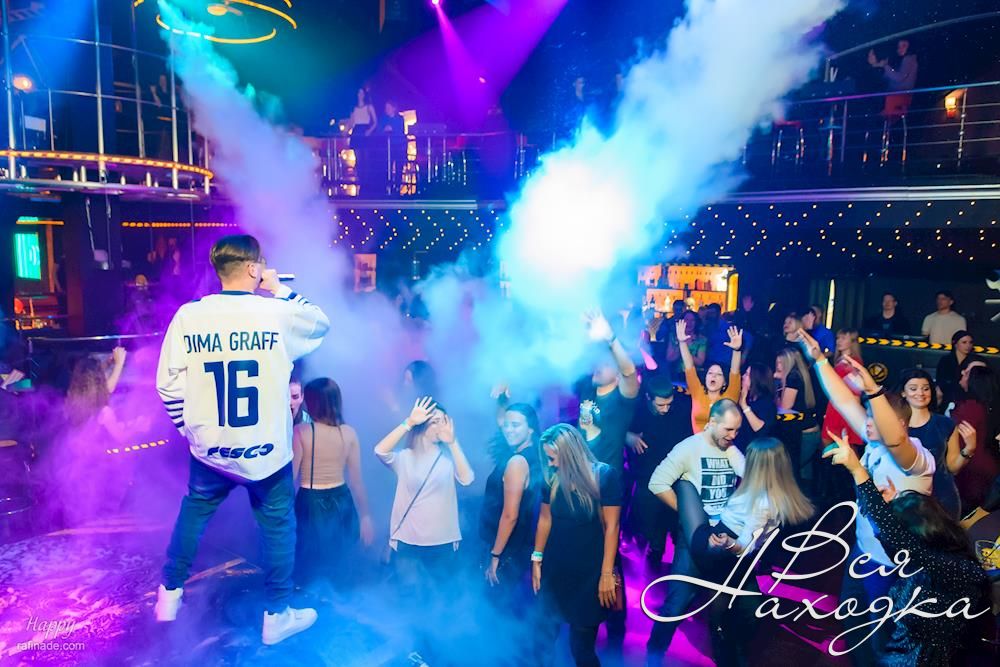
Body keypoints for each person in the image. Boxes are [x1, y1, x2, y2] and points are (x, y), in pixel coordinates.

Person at [155, 234, 330, 645]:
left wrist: (191, 431)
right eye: (261, 264)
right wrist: (279, 288)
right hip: (266, 453)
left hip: (211, 451)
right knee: (278, 528)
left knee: (193, 514)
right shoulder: (276, 312)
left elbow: (167, 386)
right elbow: (320, 322)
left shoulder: (189, 316)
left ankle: (169, 594)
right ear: (253, 268)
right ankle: (277, 615)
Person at [796, 329, 936, 667]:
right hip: (863, 553)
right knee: (853, 626)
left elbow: (895, 439)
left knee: (881, 640)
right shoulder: (874, 442)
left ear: (899, 423)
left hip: (893, 565)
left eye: (874, 418)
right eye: (868, 417)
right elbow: (845, 401)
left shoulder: (916, 457)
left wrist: (874, 391)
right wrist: (819, 361)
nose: (867, 422)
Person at [823, 429, 990, 665]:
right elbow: (892, 534)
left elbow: (891, 533)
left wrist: (857, 470)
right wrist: (891, 504)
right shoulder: (937, 560)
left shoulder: (950, 569)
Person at [672, 437, 813, 666]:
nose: (747, 464)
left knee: (738, 609)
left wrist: (729, 543)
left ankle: (727, 648)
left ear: (759, 466)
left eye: (751, 461)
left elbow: (747, 546)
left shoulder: (765, 500)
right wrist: (723, 438)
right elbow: (746, 546)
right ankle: (726, 648)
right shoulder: (769, 493)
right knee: (732, 605)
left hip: (723, 549)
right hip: (721, 547)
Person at [645, 399, 745, 665]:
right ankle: (653, 656)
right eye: (728, 429)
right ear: (711, 422)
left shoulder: (730, 449)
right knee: (676, 604)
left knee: (723, 608)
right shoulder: (688, 448)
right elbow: (657, 483)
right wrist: (688, 514)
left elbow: (751, 476)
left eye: (737, 430)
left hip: (723, 538)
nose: (733, 435)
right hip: (693, 539)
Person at [374, 397, 474, 662]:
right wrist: (408, 422)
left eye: (444, 421)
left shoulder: (448, 458)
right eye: (435, 421)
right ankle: (418, 652)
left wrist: (453, 442)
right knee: (413, 599)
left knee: (442, 601)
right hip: (408, 542)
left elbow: (467, 479)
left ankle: (438, 653)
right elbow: (380, 450)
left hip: (443, 543)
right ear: (423, 425)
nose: (441, 426)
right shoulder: (405, 458)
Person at [532, 424, 622, 667]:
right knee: (542, 640)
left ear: (569, 454)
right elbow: (544, 519)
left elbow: (612, 527)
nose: (550, 463)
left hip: (589, 575)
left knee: (581, 649)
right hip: (555, 571)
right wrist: (537, 559)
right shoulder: (551, 478)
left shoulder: (604, 476)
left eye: (553, 457)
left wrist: (606, 574)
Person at [292, 378, 373, 589]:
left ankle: (311, 600)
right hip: (342, 501)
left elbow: (290, 477)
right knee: (340, 563)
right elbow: (357, 482)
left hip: (311, 502)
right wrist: (365, 517)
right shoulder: (349, 433)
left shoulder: (301, 432)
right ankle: (339, 601)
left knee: (310, 564)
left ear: (312, 403)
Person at [626, 374, 694, 565]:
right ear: (649, 398)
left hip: (675, 472)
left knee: (676, 517)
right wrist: (627, 436)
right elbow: (616, 426)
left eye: (668, 404)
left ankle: (679, 559)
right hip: (647, 472)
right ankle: (654, 549)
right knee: (650, 516)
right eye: (660, 405)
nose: (665, 409)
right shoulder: (637, 409)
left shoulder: (681, 406)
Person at [480, 403, 542, 609]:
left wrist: (495, 555)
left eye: (515, 425)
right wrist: (501, 402)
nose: (508, 429)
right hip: (518, 546)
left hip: (507, 548)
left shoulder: (517, 462)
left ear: (530, 428)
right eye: (506, 425)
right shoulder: (533, 455)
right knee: (506, 607)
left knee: (494, 608)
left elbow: (510, 515)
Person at [897, 369, 977, 519]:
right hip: (905, 499)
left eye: (925, 388)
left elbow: (952, 467)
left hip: (942, 497)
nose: (920, 393)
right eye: (913, 389)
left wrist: (969, 449)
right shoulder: (895, 425)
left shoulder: (945, 424)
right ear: (903, 393)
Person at [676, 320, 743, 432]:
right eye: (710, 373)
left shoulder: (729, 397)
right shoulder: (698, 391)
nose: (713, 376)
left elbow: (735, 372)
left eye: (718, 374)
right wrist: (682, 343)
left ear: (724, 382)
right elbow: (689, 366)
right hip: (698, 442)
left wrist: (737, 350)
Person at [951, 364, 999, 510]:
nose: (962, 373)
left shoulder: (971, 407)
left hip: (971, 469)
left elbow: (959, 440)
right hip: (986, 467)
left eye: (967, 373)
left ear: (974, 381)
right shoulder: (985, 406)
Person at [774, 347, 819, 490]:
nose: (778, 366)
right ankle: (807, 499)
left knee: (792, 470)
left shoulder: (793, 377)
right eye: (777, 362)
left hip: (805, 434)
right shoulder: (799, 374)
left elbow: (785, 406)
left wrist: (779, 383)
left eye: (781, 363)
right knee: (804, 471)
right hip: (809, 430)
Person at [868, 39, 918, 118]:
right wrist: (879, 66)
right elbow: (894, 77)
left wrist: (885, 66)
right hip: (898, 97)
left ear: (910, 46)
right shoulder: (907, 59)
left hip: (899, 97)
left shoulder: (909, 59)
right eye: (899, 46)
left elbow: (899, 77)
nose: (900, 49)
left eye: (904, 46)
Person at [734, 362, 776, 452]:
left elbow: (761, 430)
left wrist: (744, 406)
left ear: (756, 379)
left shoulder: (766, 403)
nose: (743, 377)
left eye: (747, 374)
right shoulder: (747, 398)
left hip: (756, 452)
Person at [935, 330, 981, 405]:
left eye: (970, 342)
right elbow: (940, 380)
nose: (968, 345)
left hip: (969, 396)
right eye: (964, 342)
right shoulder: (946, 360)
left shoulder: (976, 360)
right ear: (955, 344)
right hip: (948, 394)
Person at [348, 87, 378, 191]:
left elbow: (375, 122)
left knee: (366, 157)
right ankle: (360, 180)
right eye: (358, 93)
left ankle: (367, 181)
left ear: (364, 94)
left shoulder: (369, 107)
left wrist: (369, 131)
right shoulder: (354, 108)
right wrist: (345, 130)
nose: (360, 95)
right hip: (356, 132)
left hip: (365, 131)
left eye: (362, 93)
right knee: (358, 158)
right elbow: (351, 122)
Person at [665, 310, 706, 375]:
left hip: (694, 374)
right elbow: (669, 358)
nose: (689, 323)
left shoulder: (701, 339)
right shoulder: (673, 337)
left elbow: (700, 362)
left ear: (696, 323)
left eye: (692, 320)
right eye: (686, 319)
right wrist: (679, 343)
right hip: (676, 374)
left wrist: (685, 352)